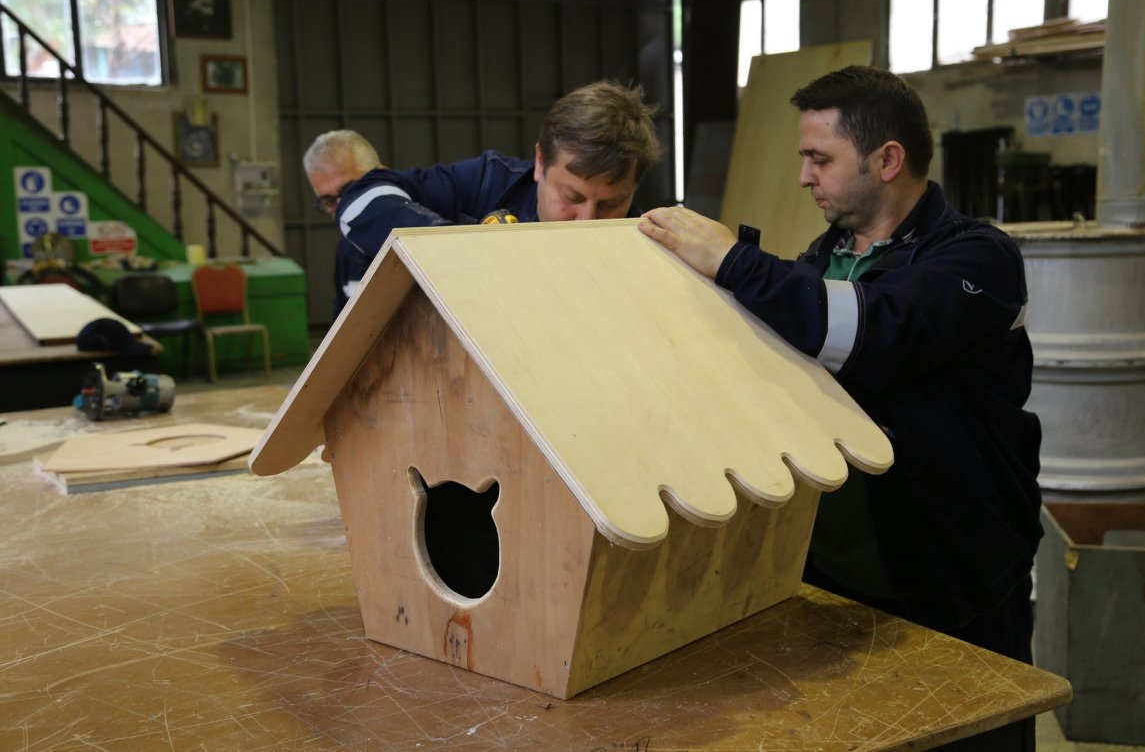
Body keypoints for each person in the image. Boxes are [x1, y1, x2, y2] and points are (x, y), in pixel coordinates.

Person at [640, 65, 1041, 750]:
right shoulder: (823, 257)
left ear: (888, 159)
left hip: (952, 577)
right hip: (834, 577)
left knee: (969, 731)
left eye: (819, 158)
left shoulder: (977, 258)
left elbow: (873, 332)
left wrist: (734, 261)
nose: (803, 176)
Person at [334, 80, 662, 258]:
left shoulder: (650, 248)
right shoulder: (488, 182)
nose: (587, 222)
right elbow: (360, 199)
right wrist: (456, 251)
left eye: (609, 205)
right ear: (539, 163)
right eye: (571, 196)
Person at [303, 130, 429, 317]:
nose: (343, 208)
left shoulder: (432, 230)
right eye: (329, 201)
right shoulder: (347, 250)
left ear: (383, 174)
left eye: (351, 191)